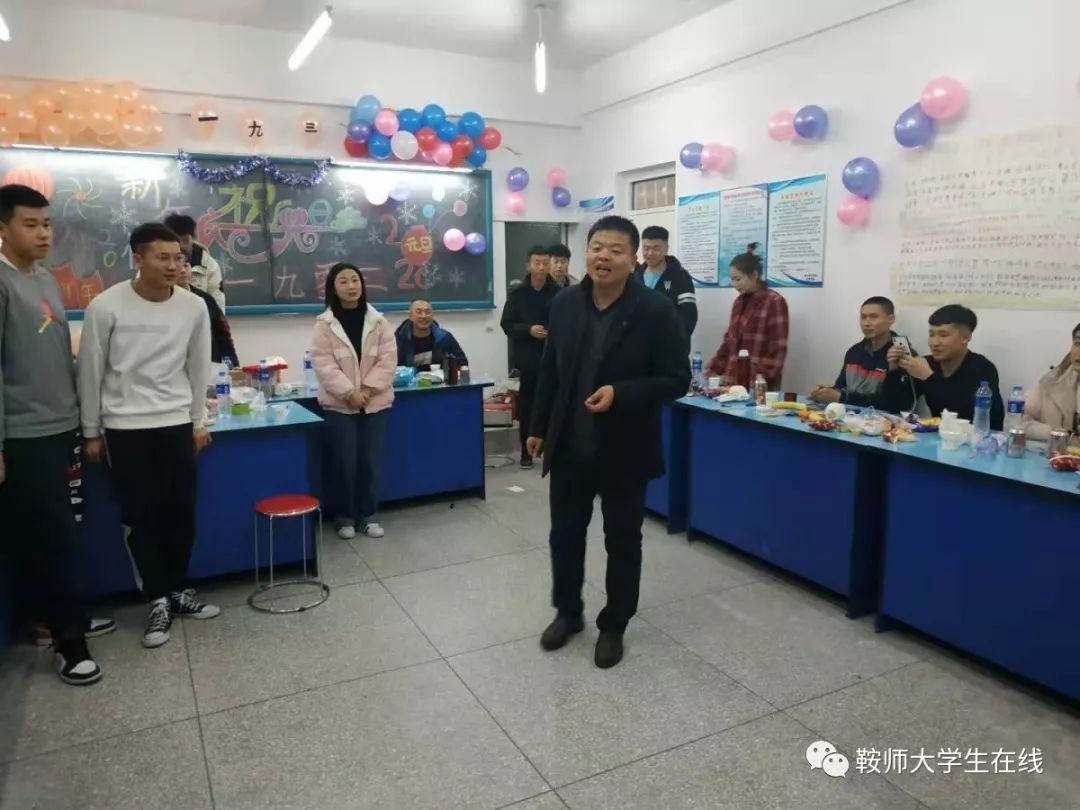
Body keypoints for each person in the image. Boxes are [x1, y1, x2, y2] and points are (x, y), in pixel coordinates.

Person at [527, 215, 690, 670]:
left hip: (625, 449)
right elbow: (551, 370)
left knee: (622, 541)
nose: (604, 256)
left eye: (616, 250)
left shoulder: (655, 311)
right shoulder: (564, 304)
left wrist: (622, 392)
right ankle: (568, 613)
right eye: (597, 247)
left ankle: (614, 624)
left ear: (633, 258)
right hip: (570, 446)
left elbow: (677, 379)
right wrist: (537, 426)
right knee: (564, 536)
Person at [78, 222, 219, 650]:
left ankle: (177, 589)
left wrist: (198, 421)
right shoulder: (106, 306)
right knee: (141, 516)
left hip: (175, 423)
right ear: (138, 259)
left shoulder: (193, 307)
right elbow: (90, 370)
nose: (174, 265)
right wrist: (91, 431)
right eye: (163, 258)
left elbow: (198, 365)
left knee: (181, 512)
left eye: (179, 257)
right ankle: (156, 597)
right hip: (125, 427)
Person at [0, 184, 113, 685]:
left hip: (60, 425)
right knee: (54, 537)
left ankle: (53, 618)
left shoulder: (44, 279)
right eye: (30, 224)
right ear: (3, 228)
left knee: (48, 533)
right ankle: (70, 642)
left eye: (47, 223)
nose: (44, 233)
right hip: (23, 434)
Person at [311, 263, 396, 540]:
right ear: (333, 288)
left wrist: (368, 389)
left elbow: (388, 359)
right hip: (340, 406)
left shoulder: (379, 321)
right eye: (344, 281)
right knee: (344, 463)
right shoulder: (324, 324)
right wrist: (350, 392)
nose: (351, 286)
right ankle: (345, 517)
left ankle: (368, 515)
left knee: (370, 462)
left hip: (374, 403)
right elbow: (323, 364)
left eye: (355, 280)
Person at [888, 304, 1004, 428]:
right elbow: (896, 405)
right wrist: (893, 370)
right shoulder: (928, 363)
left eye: (943, 335)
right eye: (931, 334)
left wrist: (928, 378)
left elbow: (962, 417)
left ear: (966, 337)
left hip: (979, 436)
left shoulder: (983, 368)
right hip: (939, 435)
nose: (934, 342)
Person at [501, 246, 559, 468]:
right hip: (528, 360)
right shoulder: (518, 294)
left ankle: (551, 450)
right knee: (528, 406)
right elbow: (507, 324)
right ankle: (526, 452)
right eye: (537, 263)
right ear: (528, 265)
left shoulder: (559, 293)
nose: (542, 267)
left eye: (545, 263)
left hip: (554, 358)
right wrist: (528, 330)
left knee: (553, 404)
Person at [809, 296, 917, 413]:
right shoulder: (854, 351)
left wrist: (841, 397)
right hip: (849, 417)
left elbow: (899, 405)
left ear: (890, 319)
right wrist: (826, 392)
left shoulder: (903, 355)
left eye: (874, 317)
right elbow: (840, 388)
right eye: (863, 317)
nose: (866, 323)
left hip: (884, 421)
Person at [706, 243, 789, 388]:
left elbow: (777, 350)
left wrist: (756, 375)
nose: (734, 284)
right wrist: (713, 368)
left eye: (738, 279)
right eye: (732, 279)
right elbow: (729, 342)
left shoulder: (774, 301)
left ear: (754, 275)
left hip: (759, 385)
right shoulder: (738, 303)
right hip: (732, 383)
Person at [633, 226, 697, 344]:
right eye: (646, 248)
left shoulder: (680, 276)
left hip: (670, 346)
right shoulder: (635, 276)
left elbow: (689, 315)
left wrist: (676, 342)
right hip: (638, 346)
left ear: (666, 249)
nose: (650, 253)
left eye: (656, 248)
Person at [178, 251, 238, 367]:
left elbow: (223, 333)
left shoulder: (205, 299)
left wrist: (233, 365)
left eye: (186, 265)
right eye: (179, 266)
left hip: (209, 363)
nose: (183, 271)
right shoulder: (161, 300)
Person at [1022, 322, 1079, 441]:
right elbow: (1018, 419)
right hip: (1059, 451)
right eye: (1078, 343)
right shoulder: (1054, 380)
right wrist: (1059, 434)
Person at [163, 213, 225, 309]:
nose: (181, 246)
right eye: (176, 241)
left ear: (194, 238)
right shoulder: (154, 264)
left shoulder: (209, 265)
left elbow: (218, 308)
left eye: (185, 240)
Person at [394, 299, 467, 371]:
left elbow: (462, 363)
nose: (424, 316)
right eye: (419, 312)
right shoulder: (397, 339)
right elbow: (391, 367)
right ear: (410, 316)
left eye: (427, 312)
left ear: (433, 315)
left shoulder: (445, 338)